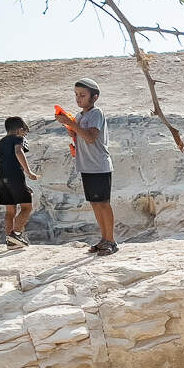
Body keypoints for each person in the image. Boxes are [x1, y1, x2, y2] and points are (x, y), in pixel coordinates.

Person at [55, 77, 116, 255]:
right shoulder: (81, 116)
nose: (78, 98)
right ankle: (104, 239)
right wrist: (72, 128)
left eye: (82, 95)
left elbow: (90, 137)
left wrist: (71, 124)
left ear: (94, 97)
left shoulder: (96, 113)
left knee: (103, 203)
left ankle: (111, 241)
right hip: (87, 166)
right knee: (95, 204)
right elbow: (81, 137)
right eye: (76, 95)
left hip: (99, 165)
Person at [0, 116, 41, 248]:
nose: (25, 134)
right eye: (25, 131)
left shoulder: (0, 143)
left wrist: (23, 185)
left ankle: (11, 241)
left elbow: (6, 162)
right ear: (20, 130)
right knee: (27, 207)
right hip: (14, 175)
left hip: (1, 177)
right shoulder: (19, 138)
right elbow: (18, 151)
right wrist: (29, 172)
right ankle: (17, 233)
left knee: (10, 211)